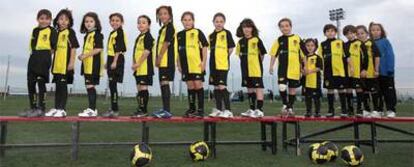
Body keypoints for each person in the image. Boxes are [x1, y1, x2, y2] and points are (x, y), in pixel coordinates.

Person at [20, 9, 57, 117]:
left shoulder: (52, 30)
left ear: (50, 20)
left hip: (44, 56)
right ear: (37, 19)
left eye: (46, 19)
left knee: (41, 82)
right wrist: (34, 54)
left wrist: (46, 57)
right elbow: (32, 43)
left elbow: (54, 47)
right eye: (41, 18)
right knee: (30, 82)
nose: (44, 21)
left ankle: (41, 108)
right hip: (33, 56)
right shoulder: (35, 30)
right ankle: (33, 108)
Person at [176, 11, 209, 118]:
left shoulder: (197, 32)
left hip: (196, 65)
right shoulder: (179, 35)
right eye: (185, 20)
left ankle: (200, 110)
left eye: (189, 20)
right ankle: (192, 109)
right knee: (190, 86)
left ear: (193, 21)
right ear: (182, 21)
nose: (187, 22)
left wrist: (204, 62)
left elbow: (204, 47)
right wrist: (178, 64)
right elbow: (178, 51)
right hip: (185, 66)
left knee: (198, 85)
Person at [236, 18, 267, 118]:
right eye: (244, 27)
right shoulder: (240, 42)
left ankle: (260, 110)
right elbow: (239, 55)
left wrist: (257, 63)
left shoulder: (257, 39)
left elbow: (262, 54)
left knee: (258, 88)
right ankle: (252, 109)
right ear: (242, 29)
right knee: (249, 88)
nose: (247, 29)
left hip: (256, 69)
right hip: (245, 69)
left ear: (252, 28)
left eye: (249, 27)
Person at [208, 13, 235, 118]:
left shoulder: (227, 33)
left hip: (223, 65)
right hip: (213, 65)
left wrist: (224, 57)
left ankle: (228, 110)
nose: (219, 23)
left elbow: (231, 48)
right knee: (215, 87)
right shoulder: (211, 36)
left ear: (224, 22)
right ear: (213, 22)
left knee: (222, 86)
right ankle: (218, 110)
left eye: (221, 21)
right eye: (217, 21)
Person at [77, 12, 104, 117]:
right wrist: (83, 55)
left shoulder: (97, 34)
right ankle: (92, 108)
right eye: (86, 21)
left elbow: (98, 49)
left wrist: (85, 55)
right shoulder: (87, 35)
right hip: (87, 65)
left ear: (96, 23)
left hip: (94, 65)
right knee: (88, 86)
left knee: (90, 85)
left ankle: (92, 109)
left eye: (91, 21)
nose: (88, 23)